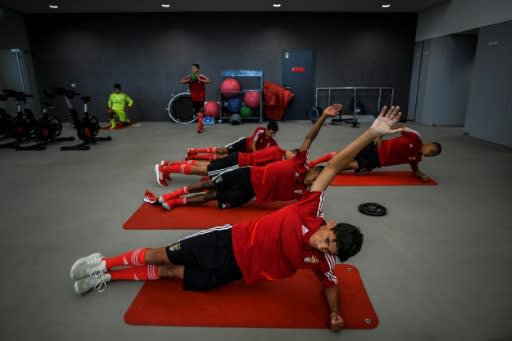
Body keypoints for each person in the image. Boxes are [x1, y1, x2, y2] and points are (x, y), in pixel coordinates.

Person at [69, 105, 403, 332]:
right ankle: (105, 262)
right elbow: (333, 165)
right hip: (225, 240)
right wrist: (370, 132)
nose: (323, 245)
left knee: (174, 273)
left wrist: (335, 312)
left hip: (236, 270)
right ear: (329, 226)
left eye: (329, 249)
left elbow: (331, 284)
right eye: (328, 239)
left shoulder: (321, 259)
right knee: (164, 252)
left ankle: (109, 278)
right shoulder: (310, 209)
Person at [146, 104, 342, 210]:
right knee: (210, 182)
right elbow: (309, 137)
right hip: (247, 173)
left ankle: (175, 202)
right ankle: (171, 194)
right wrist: (323, 117)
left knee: (213, 196)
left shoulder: (304, 189)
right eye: (315, 180)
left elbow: (312, 206)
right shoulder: (298, 162)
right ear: (314, 171)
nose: (312, 184)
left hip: (250, 194)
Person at [308, 127, 442, 181]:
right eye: (432, 150)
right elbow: (399, 126)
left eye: (433, 155)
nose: (430, 153)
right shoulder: (415, 138)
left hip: (377, 161)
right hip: (375, 147)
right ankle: (313, 163)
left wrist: (421, 175)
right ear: (429, 144)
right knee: (344, 155)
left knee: (350, 164)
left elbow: (415, 170)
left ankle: (325, 171)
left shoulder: (417, 158)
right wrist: (381, 133)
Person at [155, 145, 298, 186]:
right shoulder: (278, 156)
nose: (291, 161)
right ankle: (165, 169)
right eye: (294, 158)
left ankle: (169, 166)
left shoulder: (278, 150)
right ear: (292, 153)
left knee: (206, 165)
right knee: (204, 170)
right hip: (237, 163)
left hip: (238, 158)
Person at [186, 120, 279, 159]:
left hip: (246, 153)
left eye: (274, 133)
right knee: (222, 151)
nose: (273, 135)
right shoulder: (260, 130)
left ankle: (193, 157)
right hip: (243, 144)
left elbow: (275, 152)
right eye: (271, 132)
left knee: (223, 158)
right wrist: (256, 154)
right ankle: (194, 150)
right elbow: (253, 144)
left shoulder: (272, 142)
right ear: (267, 129)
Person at [180, 64, 210, 133]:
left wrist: (199, 79)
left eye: (194, 68)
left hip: (201, 98)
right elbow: (181, 81)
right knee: (197, 113)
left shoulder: (201, 76)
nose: (193, 69)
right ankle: (201, 126)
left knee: (201, 112)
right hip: (194, 98)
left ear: (198, 69)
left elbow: (208, 81)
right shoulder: (190, 76)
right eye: (192, 68)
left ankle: (199, 128)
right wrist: (188, 80)